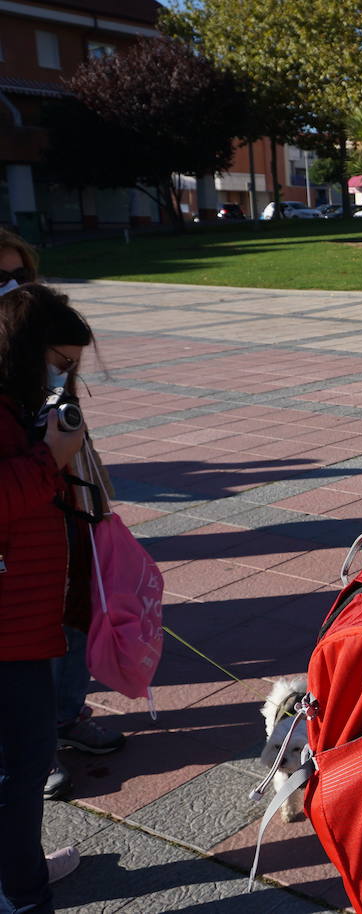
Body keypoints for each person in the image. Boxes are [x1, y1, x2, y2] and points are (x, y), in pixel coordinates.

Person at [0, 229, 127, 805]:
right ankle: (34, 746)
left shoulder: (40, 359)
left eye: (20, 278)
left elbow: (69, 438)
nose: (12, 291)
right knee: (28, 656)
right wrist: (48, 455)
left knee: (77, 613)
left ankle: (65, 716)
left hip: (63, 515)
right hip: (17, 555)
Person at [1, 283, 96, 914]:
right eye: (58, 366)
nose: (61, 381)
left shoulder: (13, 405)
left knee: (20, 765)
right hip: (8, 629)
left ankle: (19, 870)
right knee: (20, 766)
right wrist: (48, 460)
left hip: (25, 617)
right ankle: (22, 894)